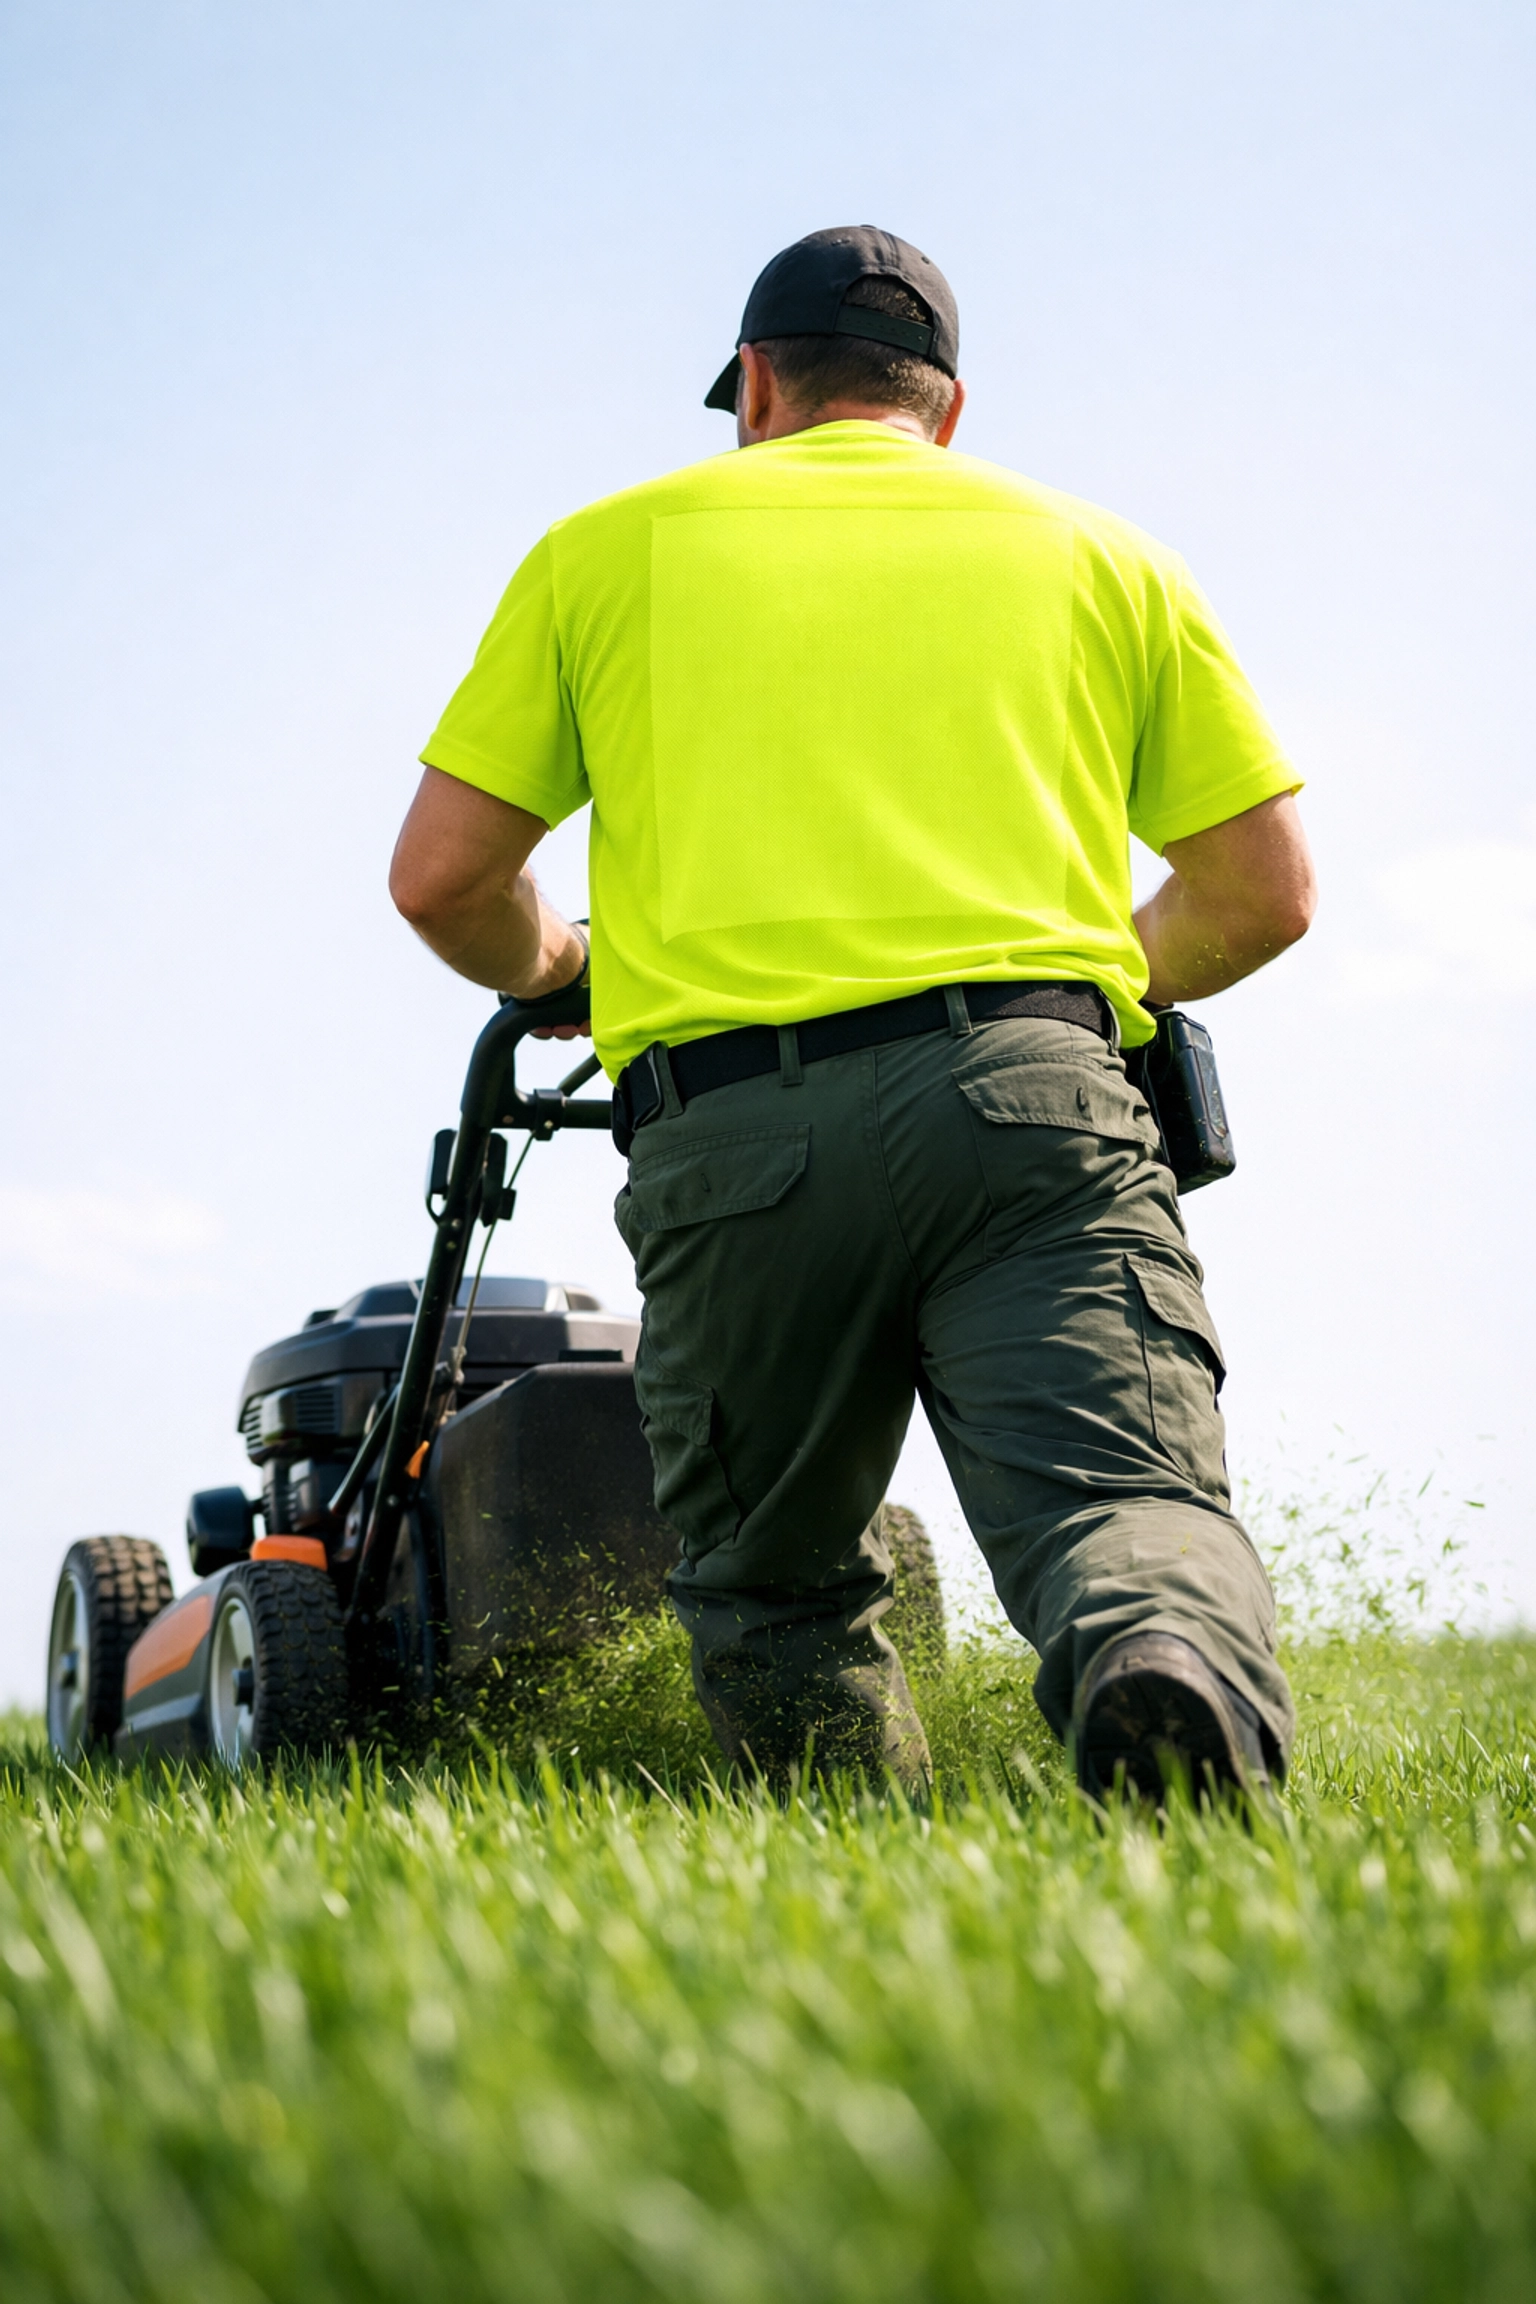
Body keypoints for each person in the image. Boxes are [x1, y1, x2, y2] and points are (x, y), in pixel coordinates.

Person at [389, 225, 1317, 1802]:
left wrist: (557, 969)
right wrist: (1081, 976)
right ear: (945, 410)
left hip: (734, 1137)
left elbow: (444, 880)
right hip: (1032, 1100)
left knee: (776, 1581)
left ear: (756, 388)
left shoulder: (609, 548)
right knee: (1121, 1498)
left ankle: (848, 1879)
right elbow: (1265, 890)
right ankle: (1160, 1657)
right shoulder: (1100, 552)